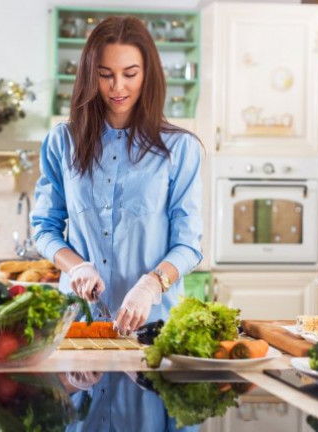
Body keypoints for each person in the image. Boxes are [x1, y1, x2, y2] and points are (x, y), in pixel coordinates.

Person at [31, 16, 203, 335]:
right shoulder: (61, 143)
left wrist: (153, 283)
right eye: (105, 75)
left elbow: (189, 244)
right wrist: (76, 266)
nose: (117, 87)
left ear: (148, 75)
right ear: (89, 76)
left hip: (154, 328)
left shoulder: (180, 148)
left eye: (130, 74)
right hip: (78, 323)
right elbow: (43, 228)